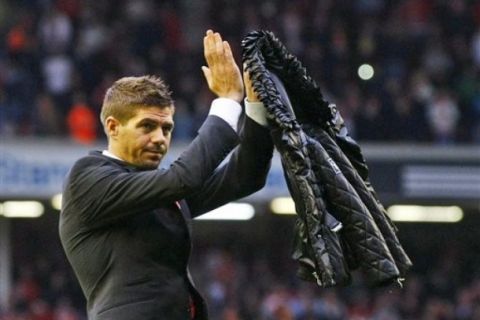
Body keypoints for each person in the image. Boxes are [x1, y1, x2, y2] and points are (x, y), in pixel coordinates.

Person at [59, 30, 273, 319]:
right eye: (147, 126)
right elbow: (183, 178)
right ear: (112, 127)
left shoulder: (160, 190)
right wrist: (227, 102)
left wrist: (256, 108)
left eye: (167, 128)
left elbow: (245, 177)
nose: (160, 138)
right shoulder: (87, 178)